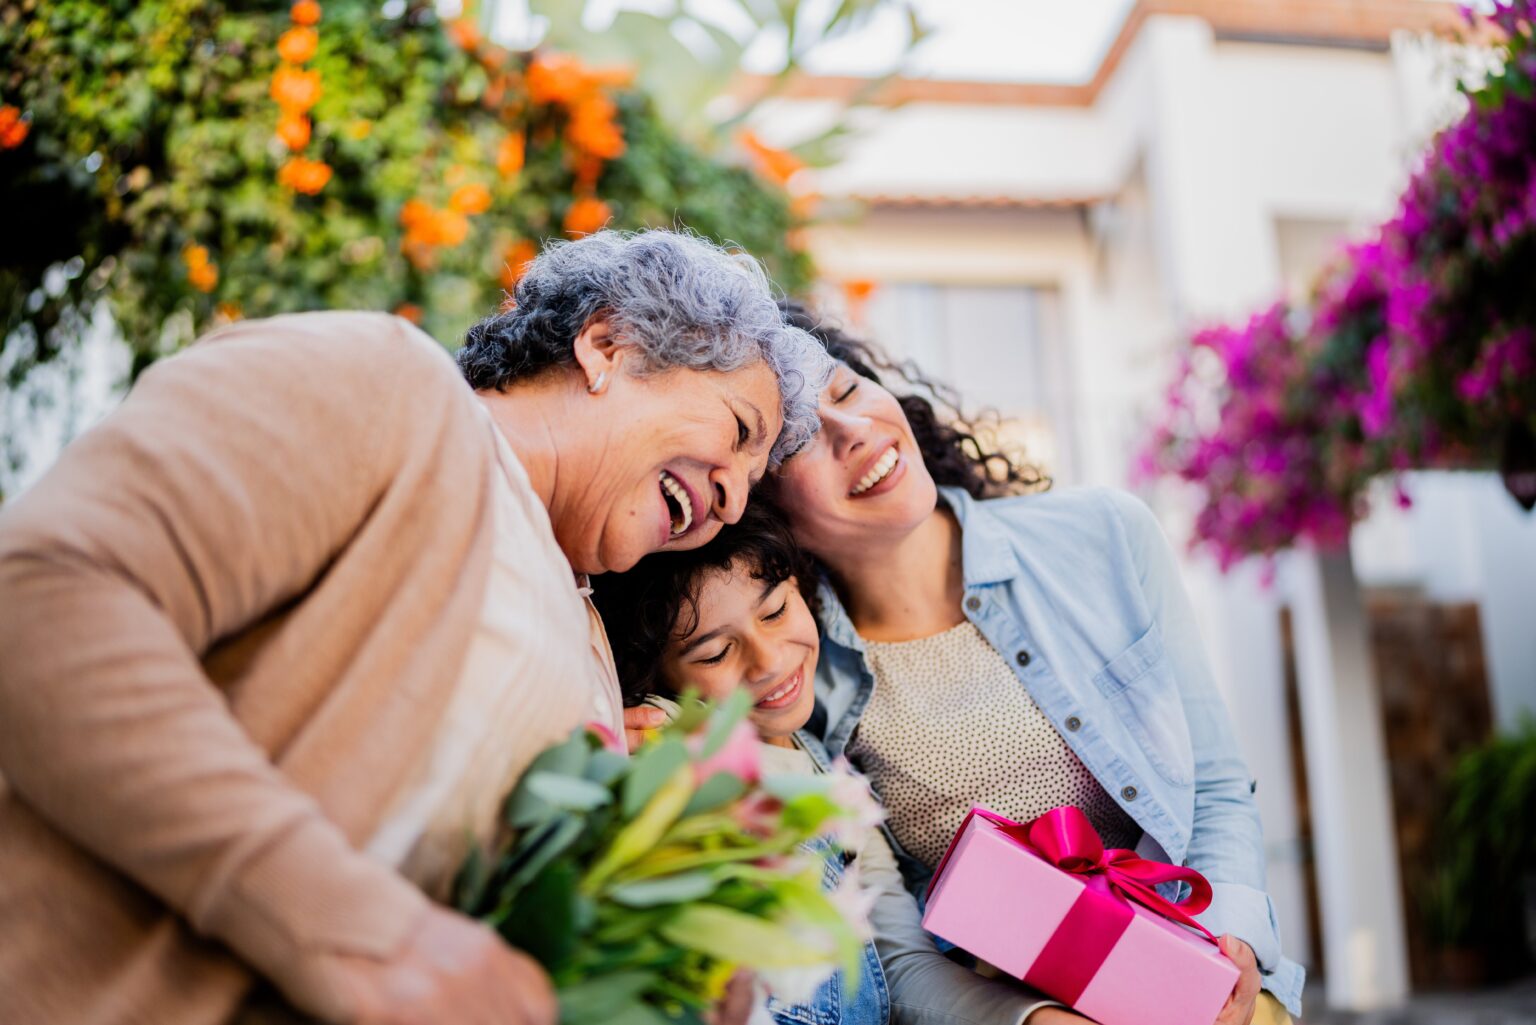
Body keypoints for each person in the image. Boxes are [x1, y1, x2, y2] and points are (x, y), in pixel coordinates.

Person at [0, 230, 830, 1025]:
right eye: (736, 433)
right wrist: (365, 935)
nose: (727, 503)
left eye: (748, 485)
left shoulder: (592, 645)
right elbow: (45, 597)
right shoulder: (384, 389)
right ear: (607, 346)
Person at [625, 303, 1305, 1025]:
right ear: (766, 506)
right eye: (805, 445)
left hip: (1208, 979)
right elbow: (894, 945)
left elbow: (1217, 787)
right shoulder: (795, 681)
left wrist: (1233, 962)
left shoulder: (1105, 535)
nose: (856, 434)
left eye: (850, 392)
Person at [593, 502, 1067, 1025]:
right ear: (656, 678)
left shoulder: (820, 764)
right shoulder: (670, 754)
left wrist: (1034, 1018)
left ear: (801, 589)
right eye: (713, 654)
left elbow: (901, 961)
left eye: (774, 612)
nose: (770, 660)